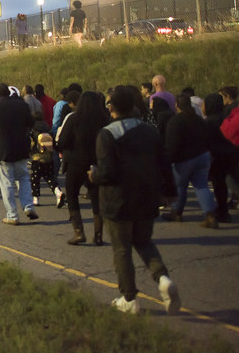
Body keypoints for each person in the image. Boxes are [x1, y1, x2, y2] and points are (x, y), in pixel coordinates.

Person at [89, 86, 180, 316]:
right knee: (144, 241)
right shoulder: (149, 131)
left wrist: (93, 175)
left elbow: (107, 172)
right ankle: (163, 278)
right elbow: (164, 162)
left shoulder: (107, 134)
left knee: (122, 249)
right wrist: (170, 191)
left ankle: (129, 298)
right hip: (147, 196)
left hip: (117, 200)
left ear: (111, 108)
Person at [56, 91, 110, 245]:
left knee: (72, 195)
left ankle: (79, 232)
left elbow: (63, 141)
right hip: (95, 163)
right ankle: (98, 234)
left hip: (75, 162)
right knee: (96, 198)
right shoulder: (103, 120)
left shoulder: (73, 119)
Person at [0, 83, 36, 225]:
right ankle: (28, 206)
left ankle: (12, 215)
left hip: (2, 150)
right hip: (20, 147)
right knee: (23, 177)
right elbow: (31, 122)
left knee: (6, 182)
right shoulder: (22, 106)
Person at [161, 94, 217, 227]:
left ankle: (176, 212)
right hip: (202, 156)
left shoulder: (175, 121)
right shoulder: (198, 119)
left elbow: (172, 144)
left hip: (184, 159)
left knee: (180, 187)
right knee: (202, 186)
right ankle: (210, 214)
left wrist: (168, 160)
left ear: (176, 105)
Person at [204, 93, 239, 223]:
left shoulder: (209, 122)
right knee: (232, 181)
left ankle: (222, 210)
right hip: (232, 153)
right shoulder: (227, 118)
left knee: (219, 184)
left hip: (217, 156)